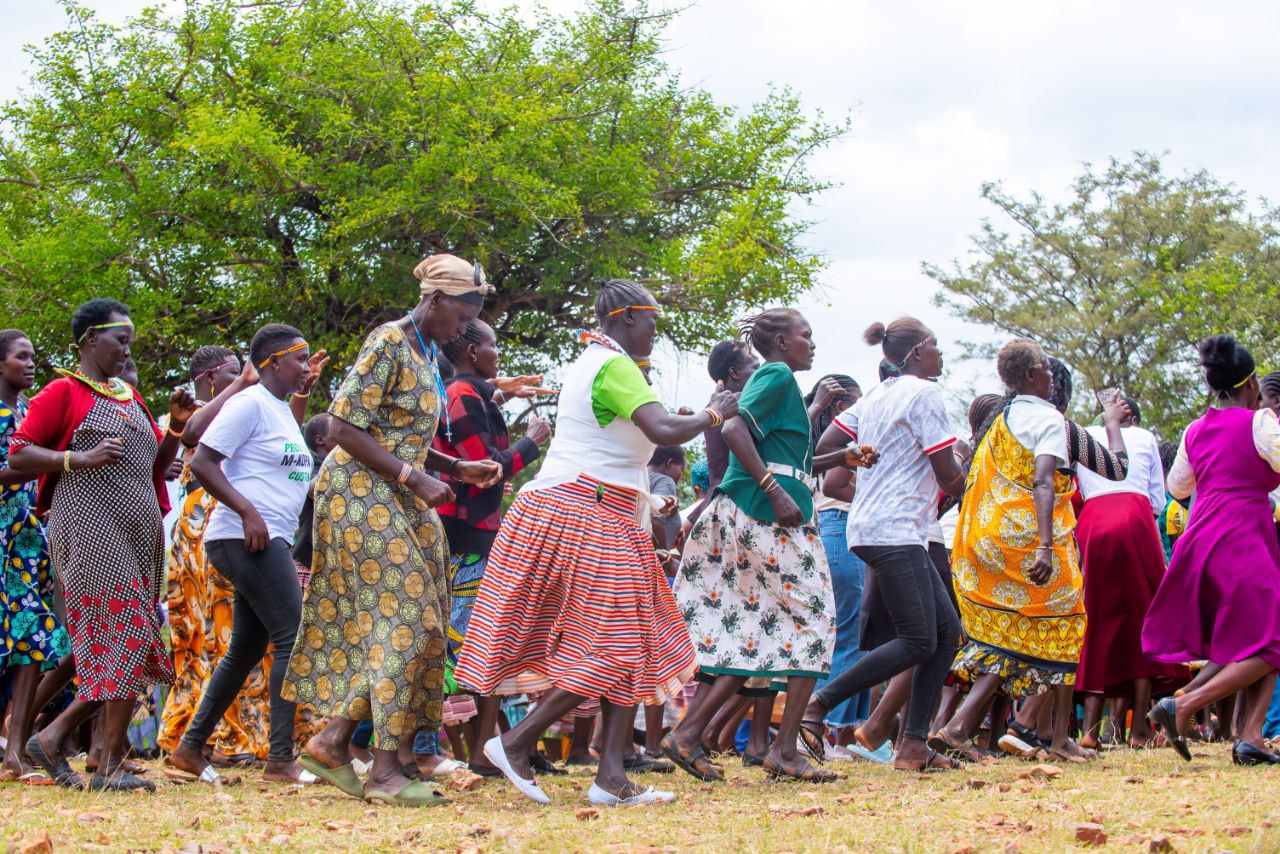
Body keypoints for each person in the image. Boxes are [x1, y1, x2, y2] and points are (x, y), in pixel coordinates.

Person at [455, 279, 738, 807]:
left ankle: (611, 776)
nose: (657, 329)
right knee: (611, 642)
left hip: (605, 510)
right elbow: (664, 430)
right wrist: (715, 412)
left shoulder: (597, 362)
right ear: (628, 317)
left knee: (632, 641)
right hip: (586, 511)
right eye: (653, 318)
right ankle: (515, 742)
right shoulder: (613, 366)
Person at [284, 254, 502, 807]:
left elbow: (397, 432)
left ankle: (338, 744)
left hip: (401, 492)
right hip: (357, 489)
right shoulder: (387, 341)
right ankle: (382, 771)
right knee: (407, 618)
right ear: (434, 300)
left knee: (430, 621)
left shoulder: (427, 353)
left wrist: (452, 469)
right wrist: (415, 477)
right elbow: (340, 426)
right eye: (461, 314)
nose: (463, 329)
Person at [670, 312, 866, 784]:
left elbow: (793, 459)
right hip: (763, 512)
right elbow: (734, 430)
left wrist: (843, 456)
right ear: (781, 341)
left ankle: (687, 735)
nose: (813, 343)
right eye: (806, 335)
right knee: (816, 620)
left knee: (758, 629)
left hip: (764, 509)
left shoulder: (781, 386)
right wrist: (773, 490)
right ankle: (783, 750)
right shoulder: (774, 374)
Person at [11, 298, 197, 791]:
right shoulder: (63, 392)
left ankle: (81, 751)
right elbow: (20, 451)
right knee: (127, 638)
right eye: (120, 339)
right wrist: (79, 457)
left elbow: (152, 464)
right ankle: (67, 745)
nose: (126, 349)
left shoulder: (126, 396)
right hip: (91, 529)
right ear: (91, 338)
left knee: (133, 642)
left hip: (137, 529)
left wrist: (175, 429)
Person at [928, 339, 1127, 764]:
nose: (1051, 379)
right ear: (1035, 376)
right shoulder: (1051, 420)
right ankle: (1055, 738)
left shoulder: (1000, 420)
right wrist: (1111, 423)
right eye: (1048, 372)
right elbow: (1107, 471)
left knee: (1011, 632)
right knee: (1069, 623)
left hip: (986, 538)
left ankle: (960, 727)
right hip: (1033, 540)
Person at [801, 316, 965, 772]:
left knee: (945, 632)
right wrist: (971, 477)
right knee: (918, 639)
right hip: (894, 529)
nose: (940, 354)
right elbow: (947, 475)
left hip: (876, 526)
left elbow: (824, 449)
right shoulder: (923, 392)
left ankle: (912, 745)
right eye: (935, 346)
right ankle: (818, 706)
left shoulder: (874, 396)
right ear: (915, 354)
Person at [166, 324, 320, 785]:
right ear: (273, 361)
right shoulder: (247, 403)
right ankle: (279, 759)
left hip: (265, 536)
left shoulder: (277, 409)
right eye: (299, 359)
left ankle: (191, 749)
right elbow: (202, 461)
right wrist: (248, 511)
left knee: (248, 647)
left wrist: (301, 396)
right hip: (244, 536)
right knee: (294, 637)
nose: (306, 366)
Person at [1144, 335, 1280, 766]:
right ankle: (1183, 704)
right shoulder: (1259, 423)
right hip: (1243, 536)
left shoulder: (1194, 430)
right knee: (1273, 639)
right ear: (1251, 384)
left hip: (1202, 537)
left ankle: (1252, 738)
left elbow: (1177, 487)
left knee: (1255, 639)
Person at [431, 318, 551, 777]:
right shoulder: (462, 394)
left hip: (477, 535)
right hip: (465, 536)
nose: (497, 354)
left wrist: (501, 392)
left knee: (477, 646)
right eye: (492, 346)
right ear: (471, 353)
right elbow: (484, 468)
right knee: (462, 647)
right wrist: (531, 442)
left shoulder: (472, 394)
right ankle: (443, 749)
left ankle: (481, 753)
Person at [159, 346, 269, 766]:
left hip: (221, 523)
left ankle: (215, 733)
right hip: (206, 527)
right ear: (208, 377)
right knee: (210, 632)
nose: (244, 374)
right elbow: (191, 436)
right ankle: (213, 734)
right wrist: (242, 382)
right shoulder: (201, 409)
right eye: (232, 370)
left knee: (226, 632)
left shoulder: (245, 406)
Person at [1075, 397, 1187, 748]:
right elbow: (1158, 499)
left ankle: (1090, 731)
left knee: (1095, 619)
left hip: (1093, 521)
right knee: (1144, 620)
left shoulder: (1080, 435)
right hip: (1135, 517)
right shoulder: (1146, 437)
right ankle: (1139, 728)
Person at [0, 330, 71, 783]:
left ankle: (16, 747)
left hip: (28, 540)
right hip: (3, 537)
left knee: (33, 636)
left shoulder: (28, 413)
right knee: (25, 635)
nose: (30, 363)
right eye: (20, 357)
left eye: (32, 356)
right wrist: (63, 460)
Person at [804, 375, 869, 753]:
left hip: (838, 529)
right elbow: (834, 488)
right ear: (843, 408)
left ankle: (844, 733)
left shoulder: (825, 438)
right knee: (846, 633)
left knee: (851, 634)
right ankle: (828, 731)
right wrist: (875, 496)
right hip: (840, 526)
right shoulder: (843, 439)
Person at [647, 446, 686, 551]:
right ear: (670, 463)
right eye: (682, 470)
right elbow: (655, 520)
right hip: (647, 557)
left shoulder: (639, 478)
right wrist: (664, 554)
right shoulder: (665, 481)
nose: (681, 477)